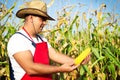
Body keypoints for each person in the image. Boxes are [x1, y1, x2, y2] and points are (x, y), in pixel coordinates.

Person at [7, 0, 90, 80]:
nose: (45, 23)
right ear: (31, 18)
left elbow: (55, 55)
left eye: (45, 20)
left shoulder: (41, 39)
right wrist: (59, 69)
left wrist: (77, 61)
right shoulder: (17, 40)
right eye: (42, 19)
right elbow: (30, 68)